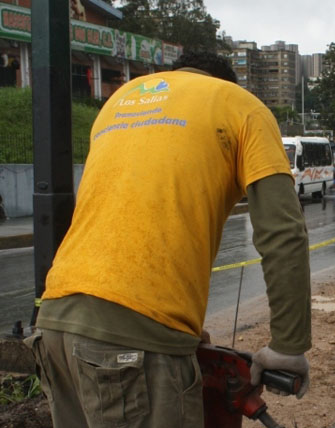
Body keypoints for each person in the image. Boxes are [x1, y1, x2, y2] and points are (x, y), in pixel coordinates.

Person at [25, 50, 311, 427]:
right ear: (225, 81)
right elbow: (283, 232)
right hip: (130, 343)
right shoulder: (240, 105)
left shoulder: (121, 102)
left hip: (55, 325)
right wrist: (288, 347)